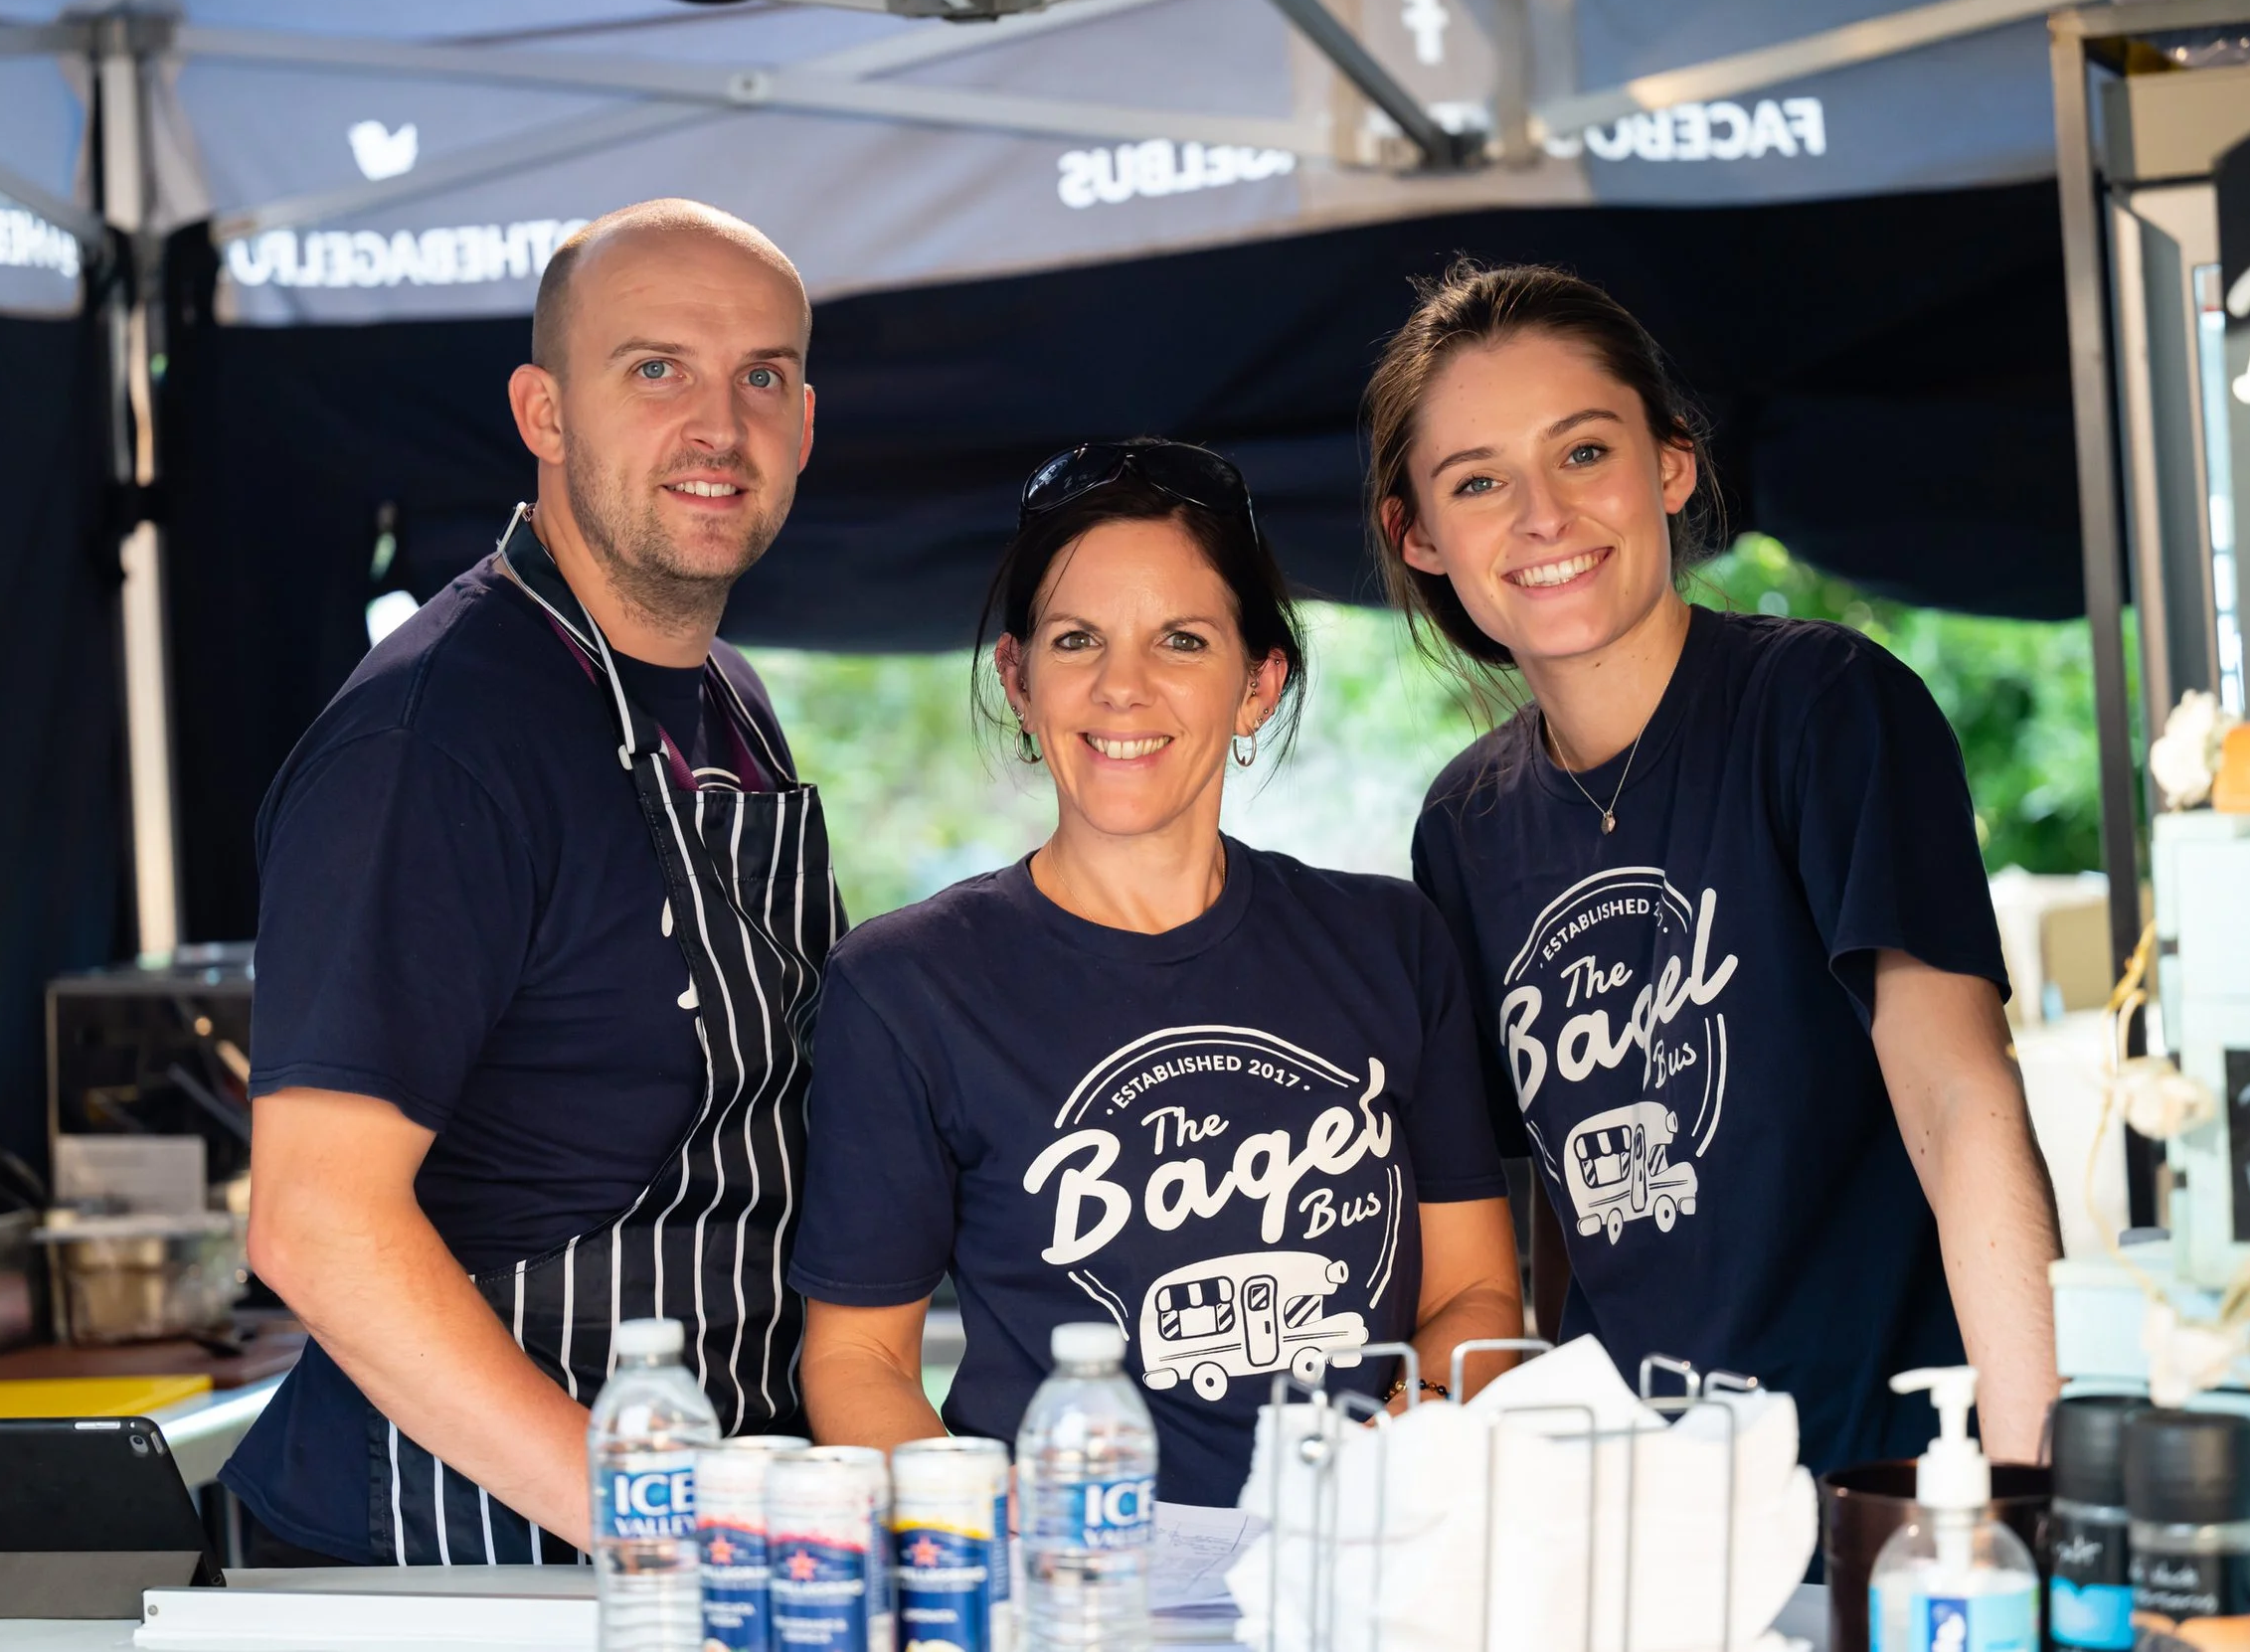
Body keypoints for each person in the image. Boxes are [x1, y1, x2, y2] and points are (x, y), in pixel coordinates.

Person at [1367, 263, 2063, 1473]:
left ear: (1669, 464)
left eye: (1582, 452)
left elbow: (1961, 1103)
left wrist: (2021, 1490)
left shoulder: (1825, 711)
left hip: (1878, 1484)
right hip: (1644, 1520)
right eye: (1479, 480)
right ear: (1418, 533)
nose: (1541, 515)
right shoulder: (1462, 826)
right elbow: (1547, 1204)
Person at [229, 199, 836, 1566]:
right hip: (460, 1566)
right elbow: (316, 1221)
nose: (719, 428)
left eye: (763, 378)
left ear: (805, 422)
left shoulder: (722, 702)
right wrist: (663, 1529)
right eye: (655, 369)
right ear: (543, 411)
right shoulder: (436, 737)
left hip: (693, 1511)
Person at [788, 439, 1523, 1506]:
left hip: (1355, 1577)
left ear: (1257, 684)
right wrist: (1010, 1562)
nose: (1121, 687)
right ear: (1018, 677)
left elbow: (1475, 1291)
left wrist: (1385, 1470)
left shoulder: (1392, 943)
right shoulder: (906, 984)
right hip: (1059, 1588)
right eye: (1077, 639)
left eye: (1181, 640)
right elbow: (858, 1362)